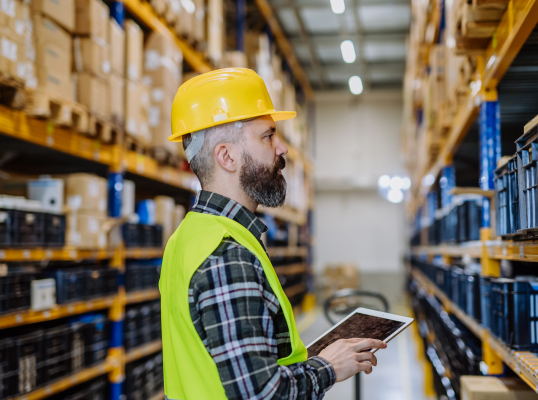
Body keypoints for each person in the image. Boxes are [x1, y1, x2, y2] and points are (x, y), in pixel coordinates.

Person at [160, 68, 387, 400]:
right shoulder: (225, 253)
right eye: (268, 136)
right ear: (227, 156)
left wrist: (315, 358)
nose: (282, 148)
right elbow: (260, 394)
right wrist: (328, 367)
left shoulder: (190, 238)